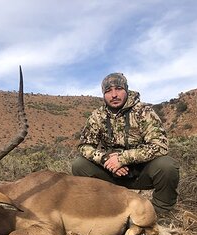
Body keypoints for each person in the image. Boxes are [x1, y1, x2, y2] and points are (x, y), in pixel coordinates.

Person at [72, 72, 179, 215]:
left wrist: (122, 159)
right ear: (103, 95)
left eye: (118, 89)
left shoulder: (144, 111)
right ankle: (98, 209)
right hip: (111, 173)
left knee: (167, 166)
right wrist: (106, 160)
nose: (114, 95)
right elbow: (84, 146)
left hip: (140, 172)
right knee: (79, 165)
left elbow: (160, 146)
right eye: (108, 91)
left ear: (126, 90)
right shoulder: (97, 116)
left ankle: (161, 213)